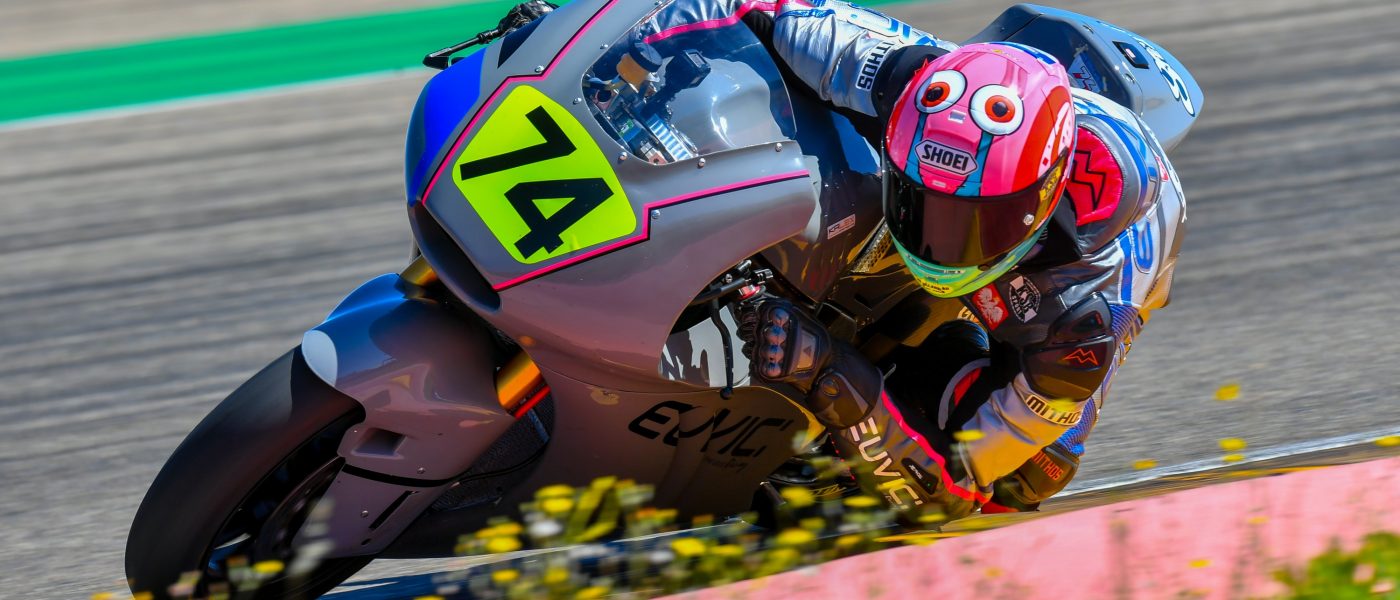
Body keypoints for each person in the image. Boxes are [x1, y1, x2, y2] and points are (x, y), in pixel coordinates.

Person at [641, 1, 1187, 519]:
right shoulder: (905, 78)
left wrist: (830, 372)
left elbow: (956, 488)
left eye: (976, 224)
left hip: (1079, 282)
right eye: (920, 204)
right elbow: (760, 9)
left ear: (1042, 200)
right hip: (1000, 108)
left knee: (1023, 480)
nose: (939, 245)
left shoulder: (1078, 323)